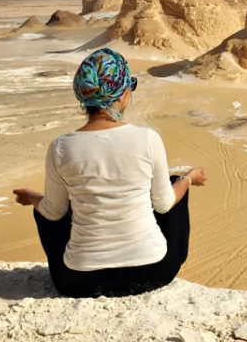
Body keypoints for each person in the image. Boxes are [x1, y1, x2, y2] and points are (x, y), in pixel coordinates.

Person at [13, 48, 208, 298]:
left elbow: (54, 212)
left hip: (77, 281)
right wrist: (188, 178)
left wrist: (31, 196)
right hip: (154, 272)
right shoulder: (147, 139)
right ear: (123, 93)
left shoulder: (61, 147)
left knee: (50, 207)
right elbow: (163, 204)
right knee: (174, 185)